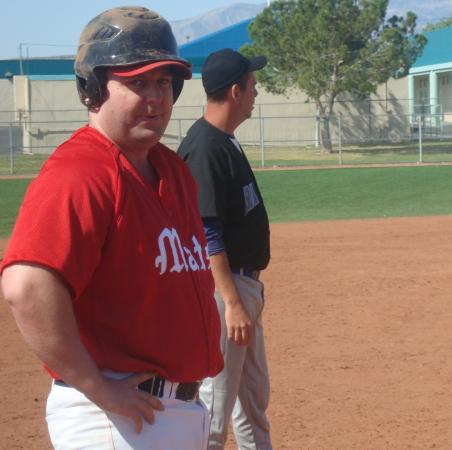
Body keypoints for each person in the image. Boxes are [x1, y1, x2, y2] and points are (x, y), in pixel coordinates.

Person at [0, 6, 223, 449]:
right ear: (93, 88)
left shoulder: (170, 169)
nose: (156, 97)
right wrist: (96, 387)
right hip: (117, 418)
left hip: (171, 412)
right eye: (137, 82)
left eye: (164, 82)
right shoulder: (81, 172)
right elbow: (26, 287)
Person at [177, 48, 273, 450]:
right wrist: (231, 302)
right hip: (223, 291)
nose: (256, 92)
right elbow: (205, 232)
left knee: (251, 400)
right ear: (236, 90)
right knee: (215, 410)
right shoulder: (205, 148)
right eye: (252, 84)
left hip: (240, 288)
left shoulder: (223, 141)